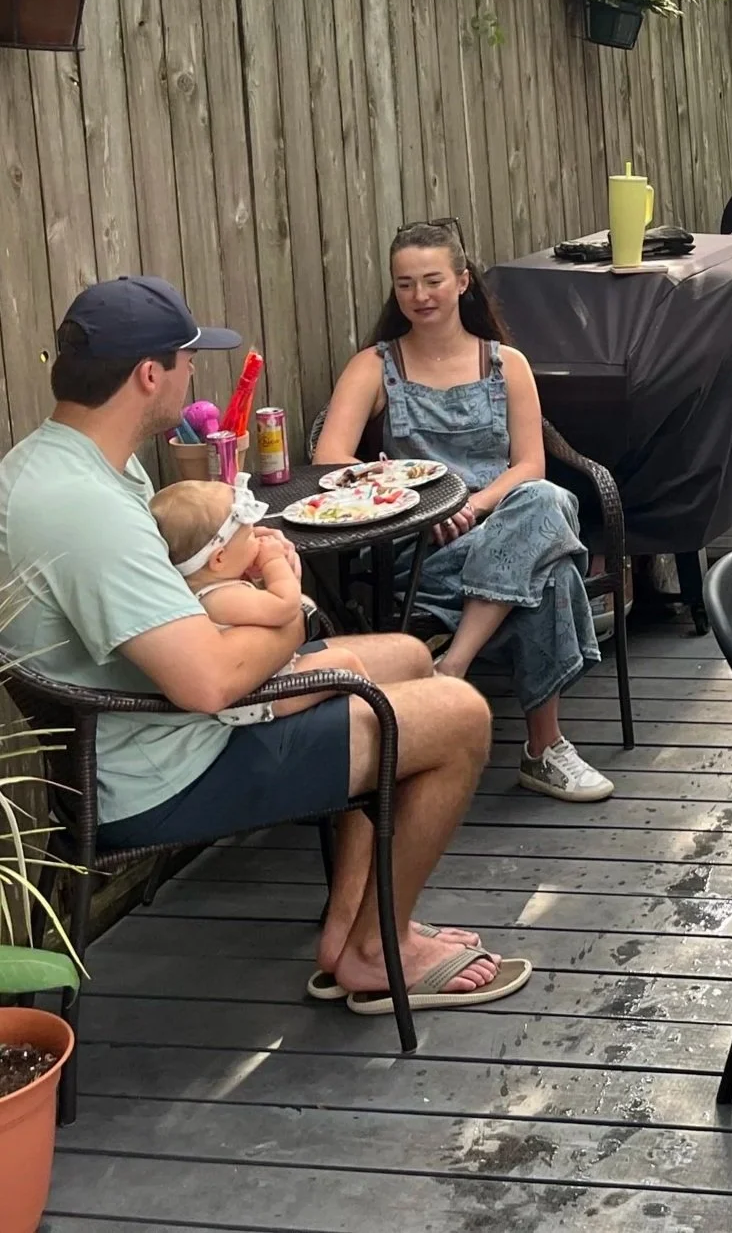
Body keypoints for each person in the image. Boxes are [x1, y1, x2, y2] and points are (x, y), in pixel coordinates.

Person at [0, 276, 524, 1010]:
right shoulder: (85, 508)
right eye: (187, 360)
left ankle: (353, 933)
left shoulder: (55, 464)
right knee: (459, 716)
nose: (192, 375)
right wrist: (292, 608)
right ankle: (379, 950)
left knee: (408, 657)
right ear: (149, 374)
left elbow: (167, 605)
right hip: (162, 771)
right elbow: (210, 684)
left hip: (140, 726)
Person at [316, 221, 610, 805]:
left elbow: (530, 465)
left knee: (543, 503)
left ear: (462, 282)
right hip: (422, 550)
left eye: (432, 281)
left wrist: (470, 505)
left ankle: (453, 665)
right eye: (405, 284)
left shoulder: (507, 365)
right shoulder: (375, 366)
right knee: (550, 566)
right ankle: (543, 750)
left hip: (501, 518)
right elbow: (330, 458)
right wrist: (418, 502)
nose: (419, 295)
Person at [150, 477, 371, 722]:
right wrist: (273, 562)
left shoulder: (212, 589)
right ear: (219, 559)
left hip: (262, 680)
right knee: (344, 662)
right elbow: (285, 606)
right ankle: (373, 716)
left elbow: (258, 609)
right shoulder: (221, 597)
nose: (259, 540)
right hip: (259, 696)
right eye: (249, 537)